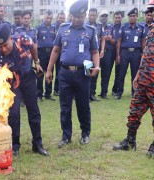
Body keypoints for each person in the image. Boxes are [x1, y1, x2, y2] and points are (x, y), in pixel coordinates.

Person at [46, 0, 100, 148]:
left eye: (81, 17)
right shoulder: (63, 29)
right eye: (75, 17)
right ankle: (66, 136)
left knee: (83, 105)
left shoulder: (90, 30)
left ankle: (85, 134)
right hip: (64, 73)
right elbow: (55, 50)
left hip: (83, 73)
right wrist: (49, 69)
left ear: (85, 16)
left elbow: (94, 52)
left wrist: (97, 67)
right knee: (65, 106)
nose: (78, 20)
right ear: (71, 16)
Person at [0, 23, 48, 157]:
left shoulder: (23, 39)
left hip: (28, 79)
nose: (3, 49)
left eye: (5, 45)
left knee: (34, 110)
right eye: (0, 47)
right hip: (12, 85)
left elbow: (33, 46)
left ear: (11, 38)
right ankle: (15, 145)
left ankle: (37, 144)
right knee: (14, 113)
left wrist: (37, 62)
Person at [113, 0, 154, 157]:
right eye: (149, 10)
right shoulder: (150, 30)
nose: (150, 13)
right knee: (134, 111)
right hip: (144, 79)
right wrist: (137, 74)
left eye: (152, 10)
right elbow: (146, 54)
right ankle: (130, 141)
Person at [115, 8, 146, 100]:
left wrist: (143, 54)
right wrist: (118, 55)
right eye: (130, 16)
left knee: (135, 73)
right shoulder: (123, 27)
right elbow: (119, 42)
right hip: (125, 53)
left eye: (134, 16)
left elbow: (143, 42)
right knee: (121, 73)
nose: (132, 18)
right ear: (128, 17)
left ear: (137, 17)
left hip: (136, 53)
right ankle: (119, 92)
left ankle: (134, 93)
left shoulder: (141, 28)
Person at [36, 10, 56, 101]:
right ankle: (39, 94)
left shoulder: (53, 28)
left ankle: (48, 93)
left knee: (50, 72)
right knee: (40, 74)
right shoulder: (39, 27)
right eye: (47, 18)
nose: (49, 20)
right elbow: (35, 41)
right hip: (41, 52)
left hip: (51, 53)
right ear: (44, 17)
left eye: (51, 18)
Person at [98, 10, 115, 99]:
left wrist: (108, 38)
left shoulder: (111, 28)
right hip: (97, 53)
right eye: (102, 16)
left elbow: (114, 41)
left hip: (107, 53)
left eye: (105, 16)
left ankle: (104, 92)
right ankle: (91, 92)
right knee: (95, 71)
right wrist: (105, 37)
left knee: (106, 73)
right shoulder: (96, 27)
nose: (104, 18)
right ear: (99, 17)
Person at [86, 8, 102, 102]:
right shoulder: (85, 26)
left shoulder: (99, 26)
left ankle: (92, 94)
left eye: (94, 15)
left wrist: (102, 50)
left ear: (96, 16)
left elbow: (102, 38)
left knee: (95, 73)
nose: (92, 17)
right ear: (88, 15)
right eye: (91, 15)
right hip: (87, 54)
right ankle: (85, 94)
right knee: (86, 73)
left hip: (96, 53)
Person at [53, 12, 66, 96]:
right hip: (52, 53)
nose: (61, 19)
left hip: (62, 53)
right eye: (60, 17)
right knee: (49, 70)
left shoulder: (66, 28)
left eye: (62, 18)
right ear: (57, 18)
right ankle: (47, 91)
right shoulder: (53, 27)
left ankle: (57, 89)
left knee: (59, 72)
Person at [111, 11, 123, 97]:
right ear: (114, 18)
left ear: (121, 18)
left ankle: (115, 89)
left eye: (119, 17)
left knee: (119, 72)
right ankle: (104, 91)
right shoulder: (111, 27)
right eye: (116, 17)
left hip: (120, 52)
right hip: (111, 51)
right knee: (107, 72)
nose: (117, 19)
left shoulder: (124, 27)